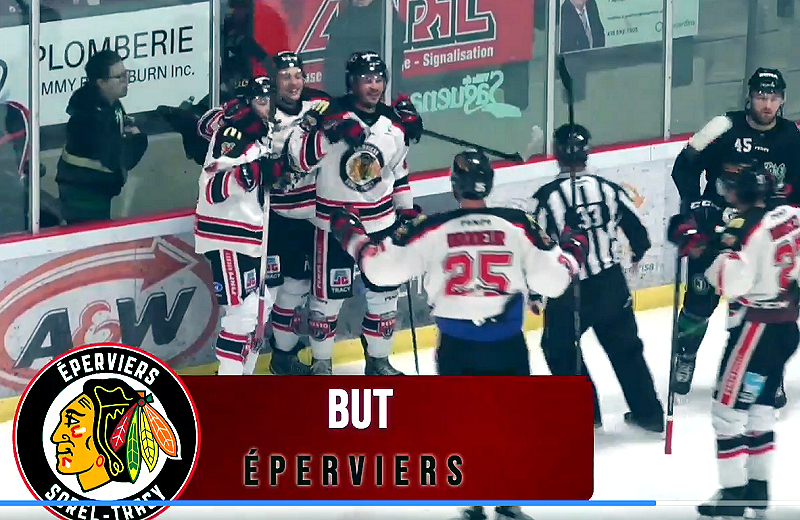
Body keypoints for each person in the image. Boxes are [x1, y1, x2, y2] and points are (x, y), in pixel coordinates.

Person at [329, 149, 589, 520]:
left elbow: (380, 270)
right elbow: (555, 280)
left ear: (454, 186)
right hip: (507, 344)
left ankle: (473, 502)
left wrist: (351, 234)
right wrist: (575, 246)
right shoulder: (517, 224)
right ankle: (508, 501)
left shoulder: (432, 227)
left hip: (457, 346)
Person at [669, 163, 798, 519]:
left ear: (740, 192)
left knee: (727, 413)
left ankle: (732, 496)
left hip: (756, 330)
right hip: (787, 327)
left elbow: (731, 282)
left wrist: (701, 251)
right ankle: (758, 489)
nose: (725, 192)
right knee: (761, 408)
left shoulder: (744, 228)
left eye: (730, 187)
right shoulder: (792, 214)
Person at [284, 51, 423, 376]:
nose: (373, 86)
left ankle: (378, 361)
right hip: (334, 225)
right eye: (365, 79)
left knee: (384, 297)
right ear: (351, 82)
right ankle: (322, 365)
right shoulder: (329, 114)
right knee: (325, 302)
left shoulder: (393, 124)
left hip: (381, 224)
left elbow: (398, 174)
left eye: (378, 79)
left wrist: (406, 212)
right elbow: (298, 160)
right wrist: (326, 133)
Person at [669, 67, 800, 405]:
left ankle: (769, 373)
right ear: (749, 97)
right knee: (700, 300)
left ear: (782, 100)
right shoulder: (723, 127)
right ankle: (685, 355)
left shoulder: (792, 136)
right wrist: (694, 204)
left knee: (766, 305)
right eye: (761, 96)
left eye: (773, 98)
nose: (767, 104)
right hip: (717, 229)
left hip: (762, 237)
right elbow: (683, 167)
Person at [527, 123, 664, 432]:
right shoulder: (609, 189)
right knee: (627, 351)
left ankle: (586, 414)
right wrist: (635, 255)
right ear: (587, 153)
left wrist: (535, 294)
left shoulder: (546, 198)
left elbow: (537, 248)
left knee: (560, 349)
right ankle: (649, 415)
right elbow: (639, 234)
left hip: (567, 290)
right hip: (609, 284)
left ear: (556, 153)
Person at [194, 74, 288, 376]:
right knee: (243, 314)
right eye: (260, 100)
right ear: (247, 103)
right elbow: (211, 187)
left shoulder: (263, 131)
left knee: (261, 305)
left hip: (251, 236)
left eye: (270, 99)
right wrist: (252, 173)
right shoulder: (234, 134)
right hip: (228, 236)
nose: (267, 105)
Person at [264, 51, 331, 375]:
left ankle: (284, 354)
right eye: (285, 76)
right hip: (278, 218)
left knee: (302, 287)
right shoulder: (264, 114)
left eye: (298, 76)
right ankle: (272, 357)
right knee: (277, 291)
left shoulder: (318, 104)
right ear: (273, 81)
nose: (294, 83)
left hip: (313, 216)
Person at [55, 50, 148, 225]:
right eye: (119, 77)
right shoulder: (90, 119)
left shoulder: (111, 103)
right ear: (101, 82)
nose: (126, 80)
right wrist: (139, 140)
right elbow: (120, 159)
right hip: (83, 198)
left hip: (97, 191)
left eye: (126, 73)